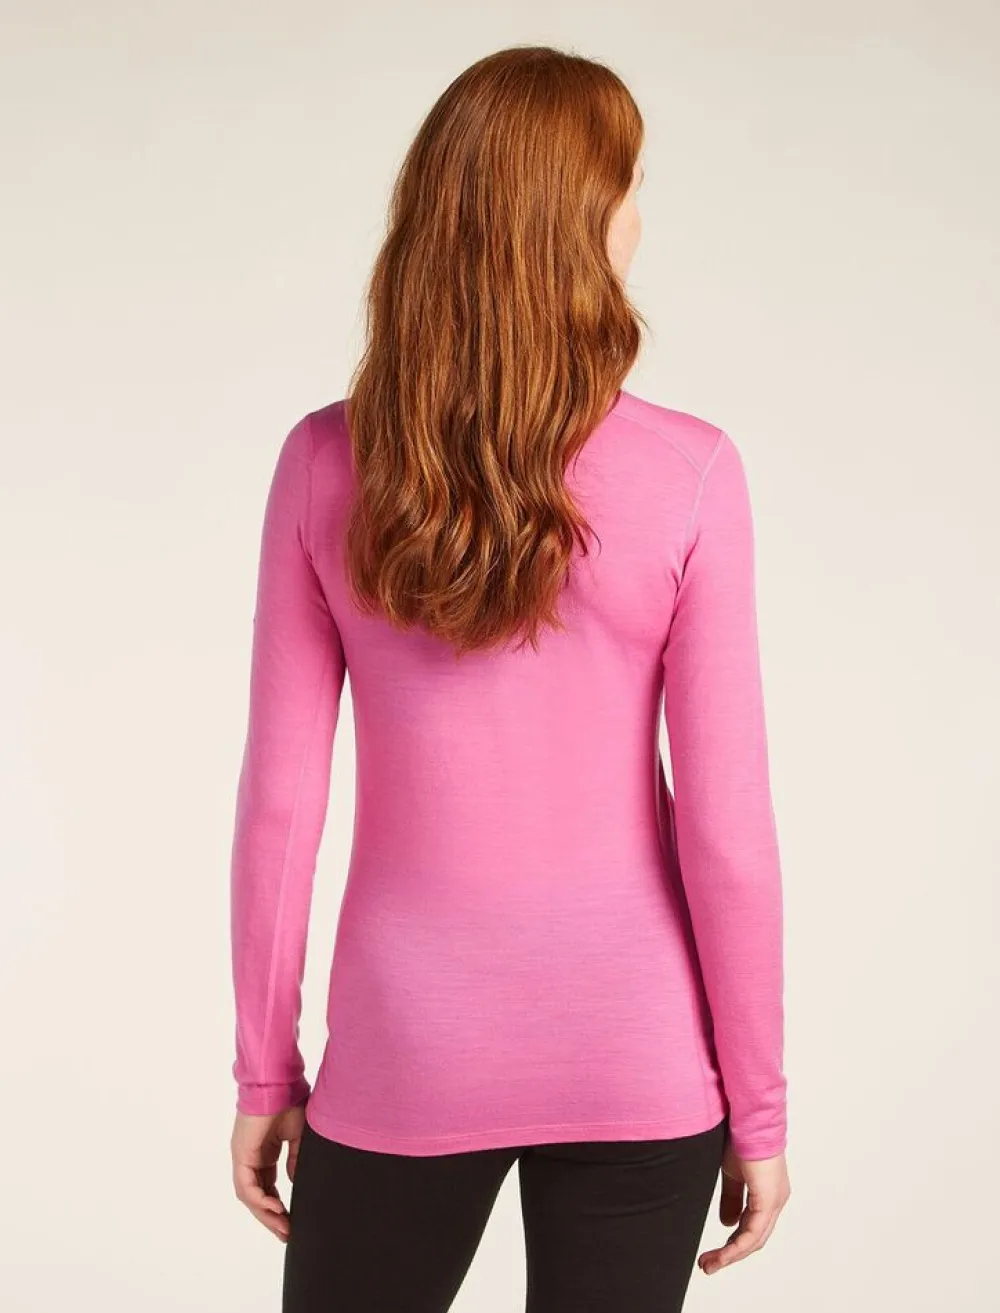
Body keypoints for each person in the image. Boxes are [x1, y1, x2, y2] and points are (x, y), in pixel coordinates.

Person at [228, 44, 791, 1313]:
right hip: (638, 1053)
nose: (641, 217)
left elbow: (280, 808)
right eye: (631, 185)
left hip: (407, 1047)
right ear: (583, 221)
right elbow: (728, 831)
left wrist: (266, 1071)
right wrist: (757, 1104)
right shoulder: (692, 474)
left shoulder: (325, 463)